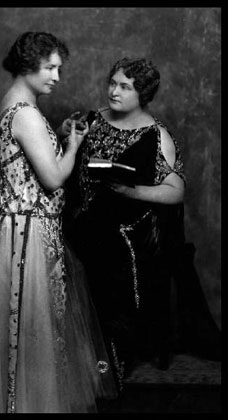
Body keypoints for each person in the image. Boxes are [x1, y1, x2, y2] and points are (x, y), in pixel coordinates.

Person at [0, 31, 117, 413]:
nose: (56, 76)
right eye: (50, 67)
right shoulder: (28, 114)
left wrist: (60, 136)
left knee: (21, 332)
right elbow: (52, 178)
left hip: (16, 228)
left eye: (58, 68)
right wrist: (73, 146)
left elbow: (28, 164)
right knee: (29, 331)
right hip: (26, 236)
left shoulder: (12, 106)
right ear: (28, 63)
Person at [59, 57, 221, 389]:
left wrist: (128, 190)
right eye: (112, 83)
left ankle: (108, 364)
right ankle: (65, 360)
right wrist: (66, 136)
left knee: (111, 260)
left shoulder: (155, 134)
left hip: (124, 230)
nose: (113, 91)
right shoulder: (91, 119)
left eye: (124, 87)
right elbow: (65, 160)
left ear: (142, 94)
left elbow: (176, 192)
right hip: (77, 219)